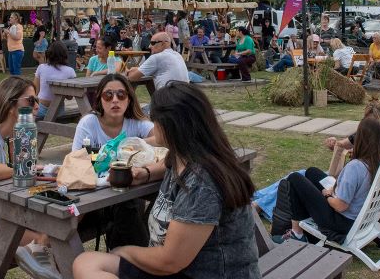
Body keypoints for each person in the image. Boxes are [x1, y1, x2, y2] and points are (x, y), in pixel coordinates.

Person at [73, 82, 260, 279]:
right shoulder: (184, 155)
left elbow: (169, 261)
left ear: (171, 126)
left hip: (202, 273)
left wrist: (123, 251)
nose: (153, 127)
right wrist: (145, 173)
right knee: (86, 263)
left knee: (97, 263)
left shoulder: (202, 181)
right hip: (178, 268)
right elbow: (166, 164)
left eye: (155, 121)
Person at [0, 77, 60, 279]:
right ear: (11, 105)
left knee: (62, 229)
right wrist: (26, 168)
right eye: (31, 101)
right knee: (53, 243)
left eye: (37, 101)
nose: (37, 106)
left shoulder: (20, 137)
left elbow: (25, 176)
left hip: (13, 216)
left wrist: (45, 173)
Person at [277, 116, 380, 243]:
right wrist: (334, 190)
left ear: (361, 139)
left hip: (341, 221)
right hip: (361, 217)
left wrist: (327, 196)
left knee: (294, 178)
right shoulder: (378, 163)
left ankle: (297, 234)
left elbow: (341, 206)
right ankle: (301, 228)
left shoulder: (356, 167)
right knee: (311, 172)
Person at [71, 74, 154, 150]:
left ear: (129, 100)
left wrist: (133, 144)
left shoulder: (135, 121)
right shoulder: (88, 123)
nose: (115, 100)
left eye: (121, 94)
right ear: (100, 100)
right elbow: (75, 158)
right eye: (108, 95)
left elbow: (162, 138)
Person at [34, 41, 77, 120]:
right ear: (65, 55)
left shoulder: (41, 67)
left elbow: (35, 91)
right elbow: (70, 97)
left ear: (49, 54)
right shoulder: (70, 71)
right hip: (59, 110)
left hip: (40, 108)